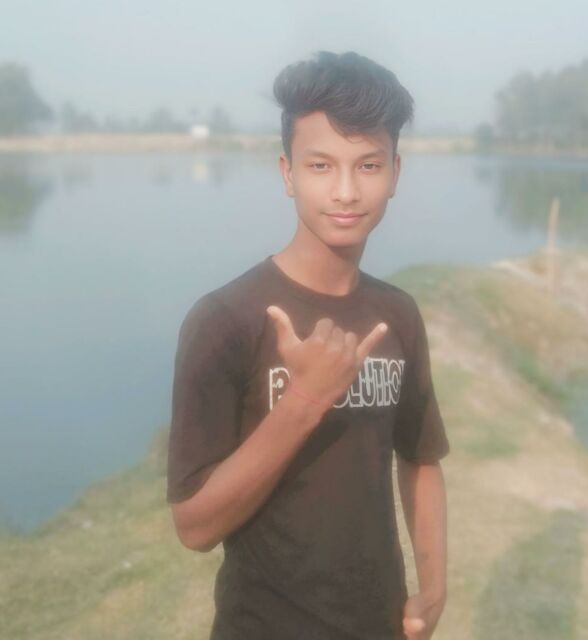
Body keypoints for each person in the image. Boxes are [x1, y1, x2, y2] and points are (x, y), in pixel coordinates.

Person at [166, 50, 450, 640]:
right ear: (288, 173)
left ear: (395, 173)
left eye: (368, 165)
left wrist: (434, 585)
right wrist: (305, 400)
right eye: (321, 166)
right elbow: (194, 527)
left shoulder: (397, 314)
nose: (345, 191)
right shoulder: (225, 320)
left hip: (380, 622)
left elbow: (419, 458)